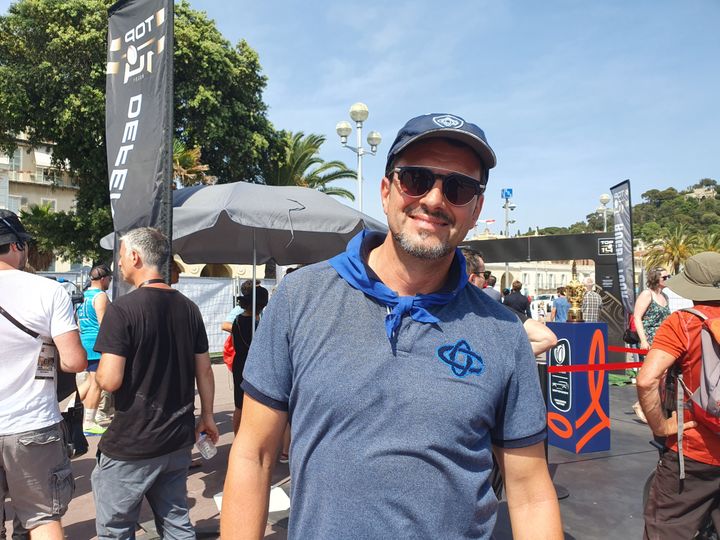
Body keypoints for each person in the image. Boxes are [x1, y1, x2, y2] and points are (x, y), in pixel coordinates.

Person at [221, 113, 562, 539]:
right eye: (417, 179)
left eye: (458, 188)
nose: (435, 200)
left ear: (475, 210)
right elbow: (253, 454)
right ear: (386, 192)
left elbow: (530, 492)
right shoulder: (301, 297)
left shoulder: (501, 332)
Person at [92, 227, 218, 539]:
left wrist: (93, 377)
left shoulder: (122, 309)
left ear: (134, 257)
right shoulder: (189, 308)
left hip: (132, 444)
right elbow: (205, 370)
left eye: (121, 256)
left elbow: (109, 380)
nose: (119, 264)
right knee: (176, 524)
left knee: (115, 529)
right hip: (176, 440)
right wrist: (208, 416)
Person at [0, 210, 87, 539]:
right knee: (41, 519)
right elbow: (75, 361)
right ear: (18, 246)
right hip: (33, 425)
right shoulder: (49, 291)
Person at [637, 252, 720, 539]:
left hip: (694, 450)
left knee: (668, 527)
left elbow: (647, 380)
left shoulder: (683, 322)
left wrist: (661, 426)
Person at [463, 248, 557, 356]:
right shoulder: (492, 310)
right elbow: (548, 339)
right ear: (473, 279)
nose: (485, 279)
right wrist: (504, 358)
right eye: (485, 274)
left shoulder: (442, 311)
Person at [76, 263, 112, 435]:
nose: (110, 282)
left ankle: (71, 411)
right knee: (97, 383)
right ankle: (88, 422)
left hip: (85, 342)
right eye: (110, 279)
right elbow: (104, 324)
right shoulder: (100, 296)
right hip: (97, 343)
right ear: (104, 278)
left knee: (90, 382)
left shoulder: (83, 295)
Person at [632, 268, 671, 421]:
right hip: (650, 340)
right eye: (665, 276)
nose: (668, 278)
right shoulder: (646, 294)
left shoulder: (665, 296)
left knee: (663, 374)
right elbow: (637, 317)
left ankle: (645, 405)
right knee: (651, 375)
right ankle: (641, 405)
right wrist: (643, 340)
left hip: (663, 340)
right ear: (656, 278)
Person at [230, 284, 269, 434]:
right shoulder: (260, 324)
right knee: (257, 404)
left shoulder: (237, 320)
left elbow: (234, 343)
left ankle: (237, 438)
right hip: (256, 366)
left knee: (239, 405)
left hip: (239, 363)